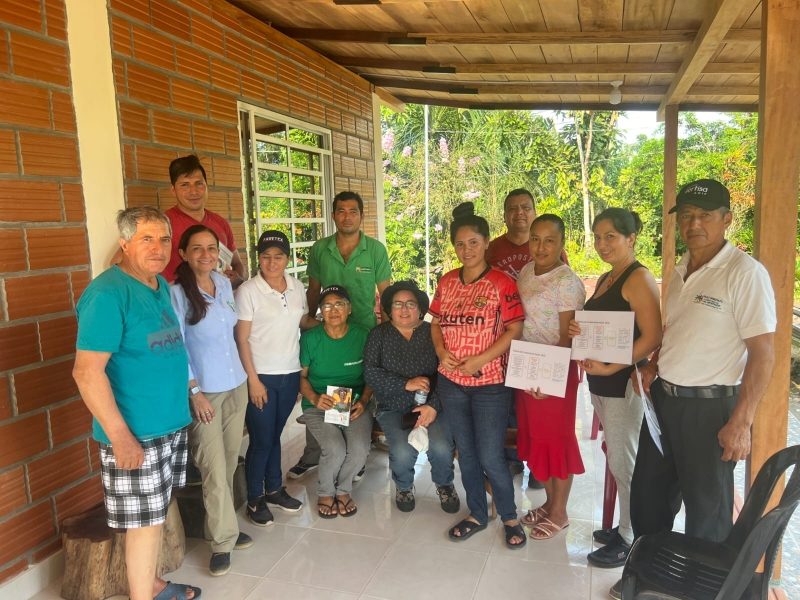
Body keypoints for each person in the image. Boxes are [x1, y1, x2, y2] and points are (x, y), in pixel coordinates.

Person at [612, 179, 776, 599]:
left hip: (711, 411)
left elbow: (763, 354)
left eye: (705, 215)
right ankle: (651, 575)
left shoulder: (745, 273)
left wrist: (742, 421)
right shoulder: (681, 268)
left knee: (708, 515)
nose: (694, 223)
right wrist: (653, 364)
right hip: (665, 403)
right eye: (686, 216)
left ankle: (704, 590)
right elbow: (677, 331)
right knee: (648, 500)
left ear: (727, 219)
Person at [73, 207, 200, 600]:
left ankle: (151, 584)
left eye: (164, 239)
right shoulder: (107, 294)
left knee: (153, 515)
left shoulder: (156, 284)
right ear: (125, 244)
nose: (158, 248)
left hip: (166, 425)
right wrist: (120, 437)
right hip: (135, 435)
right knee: (143, 524)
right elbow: (87, 373)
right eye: (146, 239)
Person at [566, 208, 662, 567]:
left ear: (631, 238)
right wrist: (581, 333)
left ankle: (630, 537)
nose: (602, 244)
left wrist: (610, 365)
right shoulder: (609, 277)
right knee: (619, 456)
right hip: (602, 381)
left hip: (624, 383)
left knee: (626, 462)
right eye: (597, 236)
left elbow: (653, 336)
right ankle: (626, 524)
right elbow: (606, 328)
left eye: (610, 237)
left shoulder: (637, 278)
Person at [430, 202, 527, 549]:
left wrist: (480, 359)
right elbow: (437, 323)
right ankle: (477, 514)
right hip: (452, 383)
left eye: (473, 242)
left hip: (490, 385)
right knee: (466, 454)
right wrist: (442, 353)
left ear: (486, 243)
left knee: (490, 455)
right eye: (460, 243)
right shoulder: (446, 282)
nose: (466, 250)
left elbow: (515, 328)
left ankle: (510, 516)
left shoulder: (502, 283)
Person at [289, 191, 391, 479]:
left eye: (353, 211)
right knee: (321, 387)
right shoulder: (321, 248)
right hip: (328, 328)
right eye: (341, 211)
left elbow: (386, 293)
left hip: (364, 333)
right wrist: (308, 320)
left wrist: (388, 329)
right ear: (333, 215)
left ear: (361, 215)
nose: (347, 216)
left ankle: (355, 456)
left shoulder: (375, 250)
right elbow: (313, 288)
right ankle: (314, 454)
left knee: (359, 388)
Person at [170, 225, 252, 577]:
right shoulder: (176, 294)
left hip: (237, 384)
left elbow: (232, 331)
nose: (206, 254)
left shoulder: (221, 284)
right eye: (197, 249)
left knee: (231, 461)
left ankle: (222, 527)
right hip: (205, 393)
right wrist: (194, 392)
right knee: (213, 468)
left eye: (211, 248)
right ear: (184, 254)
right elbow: (176, 347)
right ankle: (221, 541)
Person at [234, 230, 320, 526]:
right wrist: (253, 380)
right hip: (262, 377)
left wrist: (330, 321)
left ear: (288, 258)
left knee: (275, 436)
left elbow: (302, 322)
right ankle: (255, 498)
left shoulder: (296, 287)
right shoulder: (248, 291)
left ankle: (274, 489)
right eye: (266, 256)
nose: (272, 262)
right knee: (261, 440)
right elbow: (241, 340)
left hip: (290, 374)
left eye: (278, 256)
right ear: (259, 258)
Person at [516, 214, 586, 541]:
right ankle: (549, 502)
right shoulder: (526, 271)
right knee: (535, 440)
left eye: (549, 240)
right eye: (535, 239)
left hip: (554, 372)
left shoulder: (567, 282)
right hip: (526, 368)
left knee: (555, 441)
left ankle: (560, 512)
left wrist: (549, 379)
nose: (541, 247)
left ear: (561, 243)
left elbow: (566, 338)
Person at [364, 280, 460, 513]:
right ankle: (404, 486)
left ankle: (445, 484)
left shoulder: (432, 333)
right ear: (389, 308)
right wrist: (406, 384)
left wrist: (434, 406)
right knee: (403, 449)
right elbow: (371, 373)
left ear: (420, 308)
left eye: (410, 304)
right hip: (393, 406)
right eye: (398, 304)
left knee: (439, 445)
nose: (404, 309)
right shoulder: (379, 335)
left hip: (432, 406)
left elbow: (447, 372)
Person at [299, 285, 374, 518]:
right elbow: (300, 377)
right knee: (334, 449)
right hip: (319, 404)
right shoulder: (311, 339)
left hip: (354, 404)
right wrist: (313, 397)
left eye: (339, 304)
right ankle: (325, 492)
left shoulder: (363, 335)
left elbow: (373, 375)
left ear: (349, 309)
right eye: (327, 305)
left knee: (360, 450)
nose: (333, 310)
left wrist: (364, 400)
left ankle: (343, 490)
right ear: (320, 310)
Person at [162, 154, 246, 284]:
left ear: (206, 186)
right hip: (179, 302)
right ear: (173, 190)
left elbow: (237, 264)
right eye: (185, 185)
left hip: (218, 300)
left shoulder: (220, 223)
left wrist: (238, 279)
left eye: (199, 184)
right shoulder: (162, 224)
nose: (193, 191)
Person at [486, 188, 538, 279]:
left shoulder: (550, 248)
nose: (519, 212)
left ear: (535, 214)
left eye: (526, 208)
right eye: (512, 209)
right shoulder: (488, 250)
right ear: (504, 216)